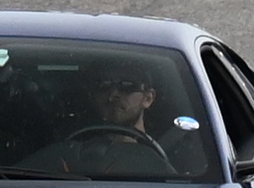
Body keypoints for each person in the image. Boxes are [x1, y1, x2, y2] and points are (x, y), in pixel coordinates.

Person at [18, 57, 177, 176]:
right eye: (103, 84)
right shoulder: (58, 150)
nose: (113, 94)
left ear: (148, 98)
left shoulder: (178, 154)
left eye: (127, 86)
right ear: (91, 95)